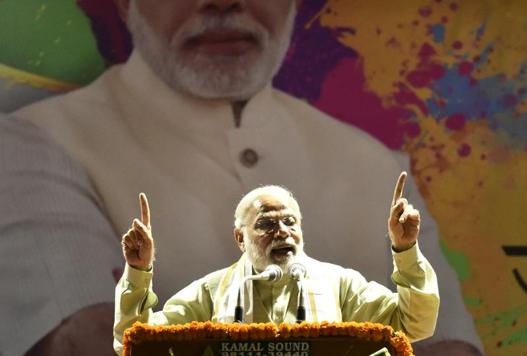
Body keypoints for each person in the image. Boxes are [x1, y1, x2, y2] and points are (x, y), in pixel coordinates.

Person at [0, 0, 482, 355]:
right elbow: (87, 343)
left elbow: (446, 346)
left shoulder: (375, 167)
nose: (223, 4)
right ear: (125, 6)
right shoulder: (36, 143)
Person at [114, 174, 439, 355]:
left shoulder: (339, 283)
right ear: (240, 238)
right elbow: (135, 341)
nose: (282, 231)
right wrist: (139, 272)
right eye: (268, 224)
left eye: (290, 221)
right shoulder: (213, 291)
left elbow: (415, 325)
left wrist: (405, 248)